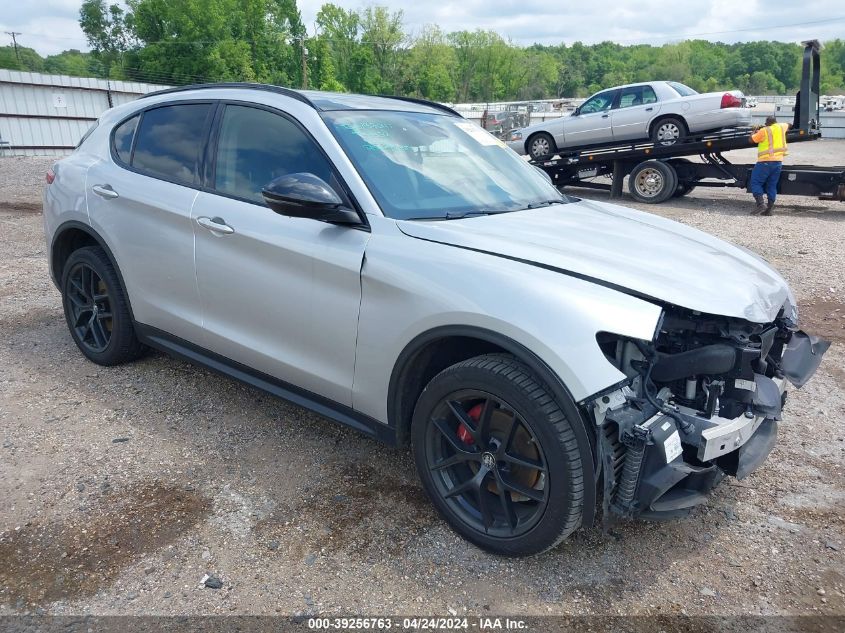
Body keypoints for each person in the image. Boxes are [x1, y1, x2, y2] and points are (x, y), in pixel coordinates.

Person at [749, 115, 791, 216]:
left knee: (755, 182)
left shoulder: (764, 130)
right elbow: (790, 124)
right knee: (772, 185)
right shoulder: (782, 126)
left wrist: (754, 131)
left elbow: (751, 140)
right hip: (778, 162)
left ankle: (760, 205)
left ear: (767, 123)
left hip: (765, 162)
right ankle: (769, 210)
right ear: (775, 122)